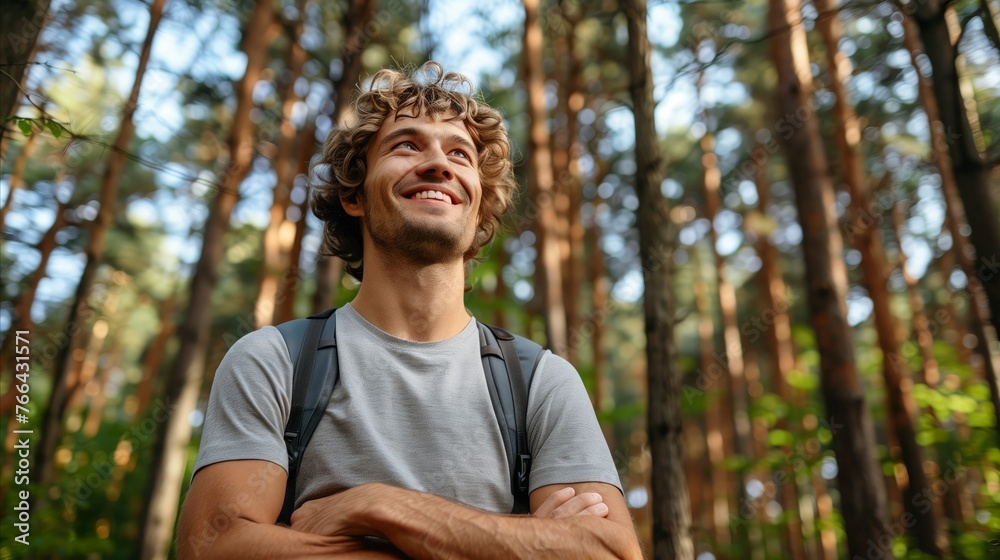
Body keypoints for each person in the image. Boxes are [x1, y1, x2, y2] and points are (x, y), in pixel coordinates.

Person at [176, 62, 642, 559]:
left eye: (459, 153)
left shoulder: (541, 382)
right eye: (406, 145)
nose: (439, 164)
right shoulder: (274, 362)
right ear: (354, 195)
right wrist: (519, 541)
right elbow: (214, 545)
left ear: (480, 207)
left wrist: (378, 506)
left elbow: (611, 553)